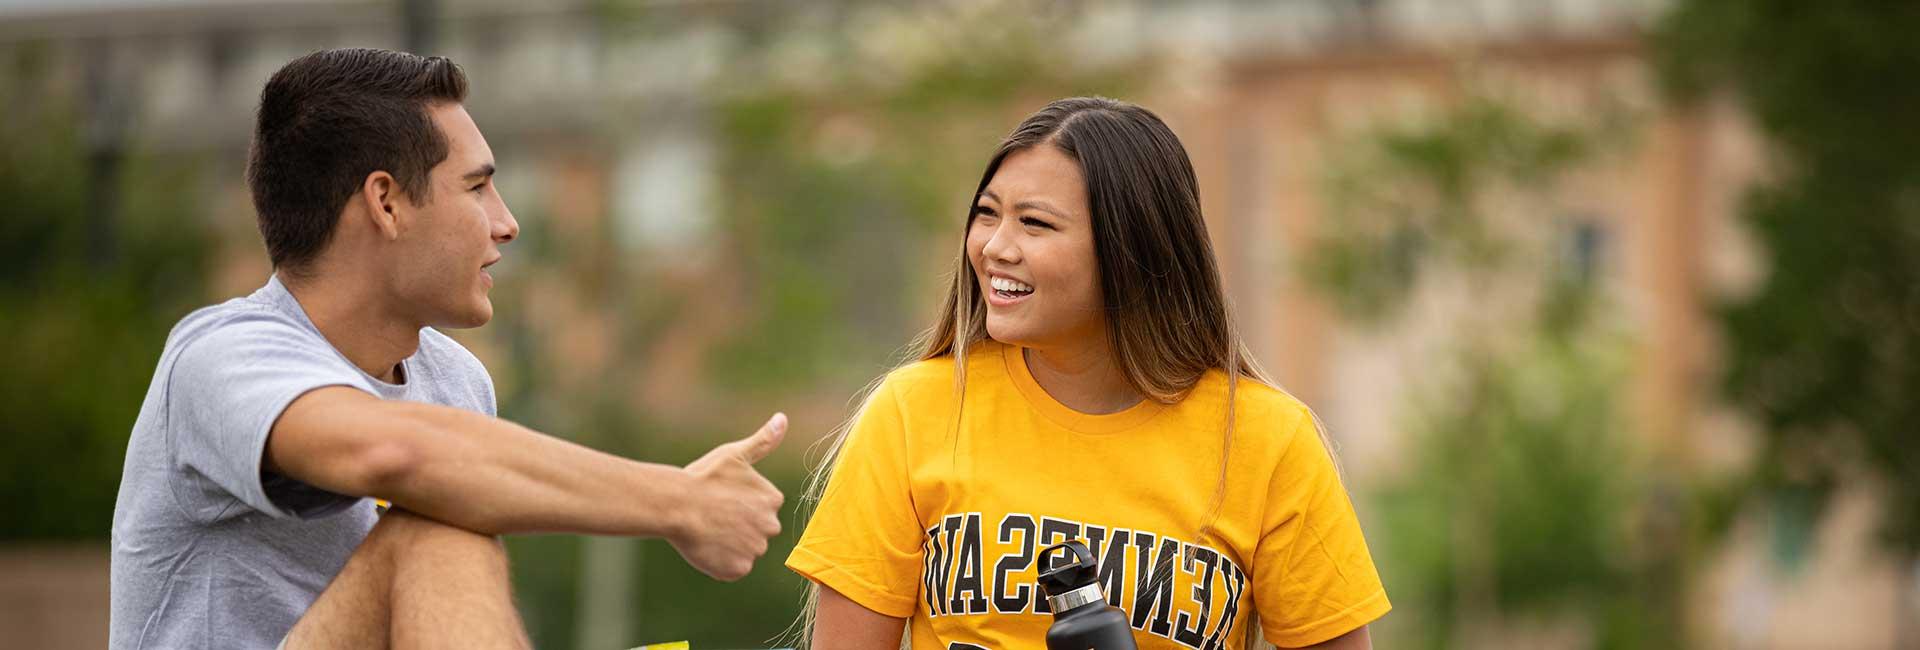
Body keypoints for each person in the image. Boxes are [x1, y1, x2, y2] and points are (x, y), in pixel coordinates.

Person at [109, 48, 787, 649]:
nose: (508, 222)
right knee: (431, 527)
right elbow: (398, 455)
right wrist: (678, 500)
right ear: (386, 203)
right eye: (477, 186)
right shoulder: (220, 357)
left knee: (444, 515)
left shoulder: (455, 379)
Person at [787, 97, 1389, 649]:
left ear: (1131, 249)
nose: (995, 246)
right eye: (987, 214)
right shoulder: (913, 412)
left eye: (1035, 224)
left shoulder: (1267, 439)